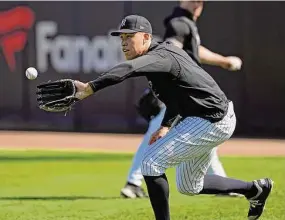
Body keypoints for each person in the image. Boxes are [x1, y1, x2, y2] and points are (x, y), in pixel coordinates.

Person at [73, 15, 273, 220]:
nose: (124, 43)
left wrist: (91, 87)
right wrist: (166, 125)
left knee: (150, 163)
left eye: (129, 37)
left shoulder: (161, 56)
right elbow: (177, 97)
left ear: (145, 37)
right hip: (209, 118)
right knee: (189, 186)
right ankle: (255, 189)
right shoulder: (160, 56)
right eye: (121, 38)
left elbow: (129, 69)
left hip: (211, 120)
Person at [121, 0, 243, 198]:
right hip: (177, 93)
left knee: (205, 138)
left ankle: (223, 183)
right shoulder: (178, 23)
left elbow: (194, 51)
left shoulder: (186, 24)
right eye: (192, 0)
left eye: (200, 1)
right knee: (156, 133)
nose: (197, 4)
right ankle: (133, 182)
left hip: (186, 94)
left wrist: (223, 61)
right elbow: (169, 53)